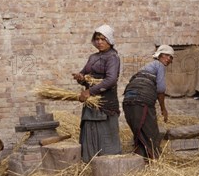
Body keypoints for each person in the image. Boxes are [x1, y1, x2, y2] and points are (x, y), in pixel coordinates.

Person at [72, 25, 122, 162]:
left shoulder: (112, 57)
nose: (99, 42)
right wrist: (81, 78)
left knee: (105, 135)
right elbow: (85, 74)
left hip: (105, 104)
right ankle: (90, 164)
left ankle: (108, 165)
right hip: (91, 105)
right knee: (89, 132)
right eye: (97, 39)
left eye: (103, 39)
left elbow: (111, 80)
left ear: (109, 40)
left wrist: (90, 91)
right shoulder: (93, 57)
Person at [123, 45, 174, 160]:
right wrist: (163, 109)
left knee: (140, 131)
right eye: (168, 56)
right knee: (151, 133)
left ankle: (141, 159)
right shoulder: (159, 65)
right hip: (142, 101)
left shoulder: (147, 67)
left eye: (171, 58)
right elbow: (161, 89)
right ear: (160, 56)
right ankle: (152, 160)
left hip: (128, 100)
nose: (169, 60)